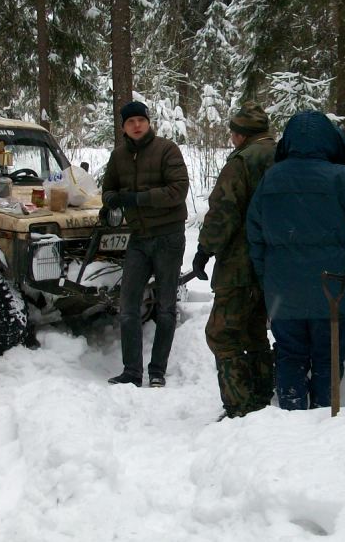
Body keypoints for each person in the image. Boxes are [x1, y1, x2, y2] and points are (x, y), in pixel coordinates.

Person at [246, 110, 345, 410]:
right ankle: (324, 421)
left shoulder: (270, 180)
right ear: (329, 142)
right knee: (328, 358)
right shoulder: (339, 176)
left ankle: (293, 419)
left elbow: (254, 235)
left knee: (289, 356)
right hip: (330, 289)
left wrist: (267, 279)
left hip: (283, 291)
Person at [193, 103, 276, 418]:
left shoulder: (242, 161)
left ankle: (239, 406)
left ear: (239, 135)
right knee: (254, 329)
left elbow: (223, 212)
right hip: (271, 262)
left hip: (240, 263)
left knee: (221, 332)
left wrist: (204, 250)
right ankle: (261, 399)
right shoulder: (281, 156)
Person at [102, 100, 190, 387]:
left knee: (165, 307)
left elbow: (177, 191)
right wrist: (111, 202)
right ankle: (131, 372)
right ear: (123, 127)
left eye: (141, 120)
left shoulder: (167, 150)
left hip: (168, 237)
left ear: (148, 122)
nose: (136, 125)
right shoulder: (118, 156)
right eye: (130, 122)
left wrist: (137, 199)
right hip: (138, 238)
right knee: (128, 307)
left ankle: (157, 371)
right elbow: (109, 190)